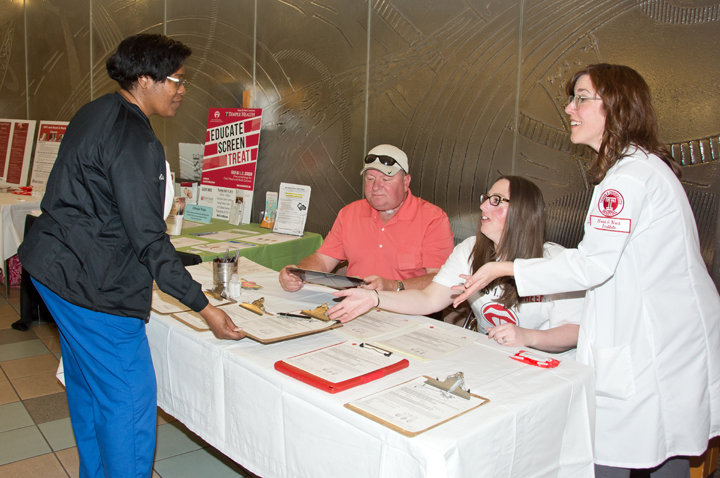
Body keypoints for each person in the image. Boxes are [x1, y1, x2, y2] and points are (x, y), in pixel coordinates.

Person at [454, 64, 720, 477]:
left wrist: (500, 268)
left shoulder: (627, 179)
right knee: (661, 439)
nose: (568, 108)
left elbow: (592, 264)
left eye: (581, 97)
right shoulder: (636, 169)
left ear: (616, 107)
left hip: (658, 337)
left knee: (649, 444)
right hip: (661, 333)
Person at [18, 34, 244, 478]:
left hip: (55, 267)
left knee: (88, 389)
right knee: (129, 405)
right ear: (145, 79)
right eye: (176, 80)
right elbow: (147, 238)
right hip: (94, 287)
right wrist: (205, 308)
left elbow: (91, 199)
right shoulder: (136, 140)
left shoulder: (96, 110)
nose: (182, 90)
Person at [328, 176, 583, 356]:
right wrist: (374, 298)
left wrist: (528, 337)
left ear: (523, 212)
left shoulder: (555, 261)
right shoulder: (470, 250)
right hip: (491, 356)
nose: (483, 205)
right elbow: (428, 300)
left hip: (546, 365)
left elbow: (574, 331)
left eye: (497, 200)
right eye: (486, 198)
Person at [279, 144, 454, 292]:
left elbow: (440, 279)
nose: (376, 187)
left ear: (406, 182)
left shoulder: (433, 219)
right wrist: (298, 273)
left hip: (410, 310)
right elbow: (323, 260)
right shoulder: (349, 213)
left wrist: (393, 286)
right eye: (370, 179)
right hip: (358, 306)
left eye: (386, 179)